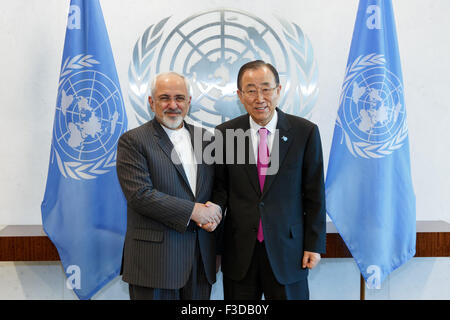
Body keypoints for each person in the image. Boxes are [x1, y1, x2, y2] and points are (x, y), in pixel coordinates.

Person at [213, 60, 326, 300]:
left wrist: (314, 244)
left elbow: (315, 194)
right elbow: (220, 190)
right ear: (240, 96)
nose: (259, 97)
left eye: (266, 88)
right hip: (240, 252)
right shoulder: (225, 134)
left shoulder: (304, 132)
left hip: (289, 251)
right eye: (251, 90)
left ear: (278, 90)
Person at [116, 71, 222, 300]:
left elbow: (219, 187)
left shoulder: (207, 139)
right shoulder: (133, 141)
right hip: (154, 263)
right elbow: (140, 195)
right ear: (151, 102)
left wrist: (217, 211)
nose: (173, 105)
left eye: (180, 98)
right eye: (165, 98)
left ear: (189, 102)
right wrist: (195, 212)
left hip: (200, 262)